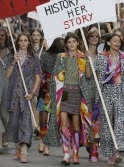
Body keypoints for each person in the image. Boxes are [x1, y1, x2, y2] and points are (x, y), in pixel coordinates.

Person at [48, 33, 94, 165]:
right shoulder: (61, 57)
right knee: (63, 124)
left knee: (76, 125)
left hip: (78, 94)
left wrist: (89, 61)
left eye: (74, 41)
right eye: (69, 42)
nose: (72, 44)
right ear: (66, 44)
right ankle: (66, 154)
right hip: (64, 93)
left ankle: (76, 153)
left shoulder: (83, 57)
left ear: (78, 43)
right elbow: (54, 75)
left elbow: (89, 76)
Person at [94, 33, 124, 165]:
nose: (117, 43)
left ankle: (118, 150)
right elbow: (96, 76)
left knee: (119, 122)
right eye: (114, 41)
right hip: (105, 92)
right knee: (106, 124)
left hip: (120, 92)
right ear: (109, 43)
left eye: (119, 41)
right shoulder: (101, 58)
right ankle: (110, 153)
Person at [5, 33, 41, 163]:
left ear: (29, 42)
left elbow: (38, 77)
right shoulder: (11, 56)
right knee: (14, 121)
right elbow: (7, 75)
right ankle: (17, 148)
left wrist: (32, 93)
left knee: (26, 121)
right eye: (21, 40)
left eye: (26, 40)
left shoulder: (34, 58)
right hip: (14, 94)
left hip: (27, 95)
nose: (23, 42)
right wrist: (14, 62)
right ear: (18, 42)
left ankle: (25, 149)